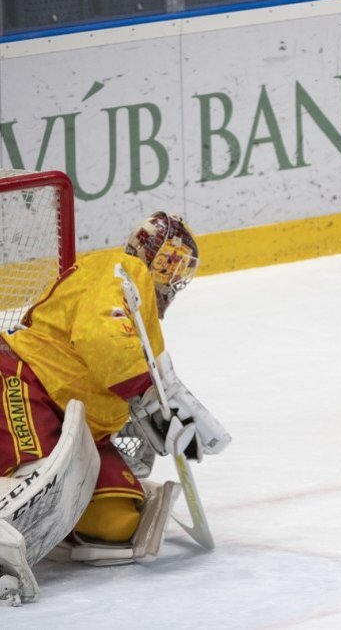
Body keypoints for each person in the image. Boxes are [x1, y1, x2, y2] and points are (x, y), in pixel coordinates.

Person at [0, 212, 231, 605]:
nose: (173, 276)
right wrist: (146, 397)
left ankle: (51, 526)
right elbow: (102, 337)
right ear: (147, 253)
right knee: (31, 484)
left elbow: (154, 377)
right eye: (169, 261)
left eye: (180, 267)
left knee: (117, 523)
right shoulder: (120, 270)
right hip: (23, 381)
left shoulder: (139, 303)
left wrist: (166, 413)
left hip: (79, 426)